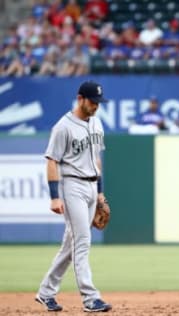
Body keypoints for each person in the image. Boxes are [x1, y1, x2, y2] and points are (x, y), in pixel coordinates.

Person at [36, 80, 112, 313]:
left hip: (90, 187)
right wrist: (54, 197)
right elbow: (51, 161)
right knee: (82, 241)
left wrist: (99, 192)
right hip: (71, 186)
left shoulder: (97, 123)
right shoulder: (63, 126)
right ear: (80, 99)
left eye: (99, 102)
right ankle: (90, 298)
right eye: (93, 101)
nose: (96, 106)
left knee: (71, 245)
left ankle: (45, 292)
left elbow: (96, 160)